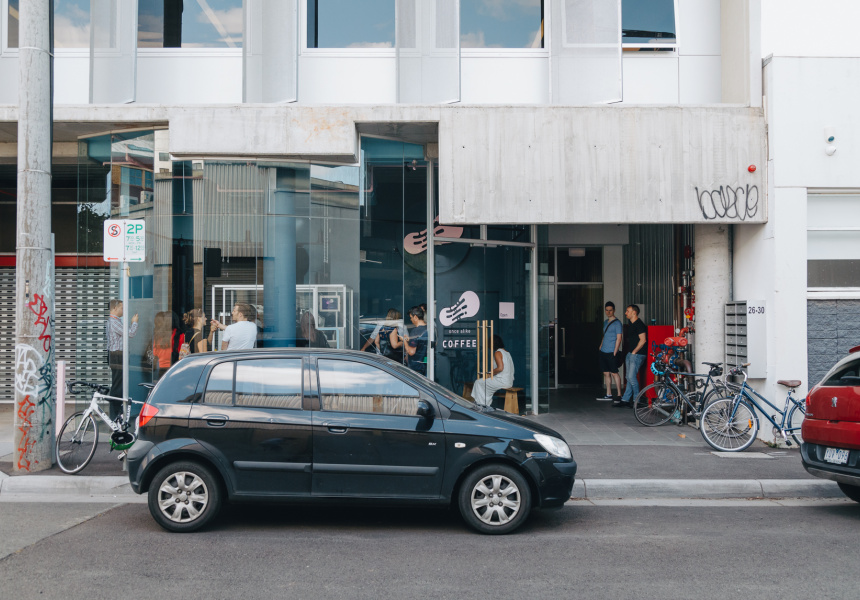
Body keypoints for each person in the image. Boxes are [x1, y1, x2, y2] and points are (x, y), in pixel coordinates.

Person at [105, 299, 138, 420]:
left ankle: (117, 413)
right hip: (117, 356)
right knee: (118, 386)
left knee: (118, 384)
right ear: (114, 308)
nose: (123, 310)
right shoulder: (114, 322)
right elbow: (130, 333)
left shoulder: (114, 321)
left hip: (116, 355)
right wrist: (134, 322)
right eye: (121, 308)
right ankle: (115, 415)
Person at [614, 304, 648, 408]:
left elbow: (643, 340)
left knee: (631, 377)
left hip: (637, 354)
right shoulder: (631, 324)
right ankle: (625, 399)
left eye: (627, 311)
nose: (625, 313)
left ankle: (636, 400)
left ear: (634, 312)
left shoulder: (639, 324)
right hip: (631, 354)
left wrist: (634, 352)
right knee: (628, 377)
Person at [471, 335, 515, 407]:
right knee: (483, 383)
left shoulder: (497, 353)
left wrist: (489, 373)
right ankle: (483, 403)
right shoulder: (507, 353)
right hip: (509, 381)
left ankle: (481, 405)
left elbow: (500, 368)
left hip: (502, 381)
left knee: (478, 382)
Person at [598, 301, 623, 401]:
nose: (608, 312)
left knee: (614, 373)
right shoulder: (605, 322)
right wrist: (600, 345)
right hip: (603, 351)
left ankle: (619, 394)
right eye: (607, 310)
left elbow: (619, 338)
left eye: (610, 310)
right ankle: (608, 394)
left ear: (614, 310)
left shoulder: (617, 323)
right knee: (606, 373)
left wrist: (615, 351)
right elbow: (605, 335)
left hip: (612, 351)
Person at [392, 306, 428, 375]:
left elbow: (411, 352)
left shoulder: (415, 332)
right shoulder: (428, 329)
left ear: (415, 317)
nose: (411, 320)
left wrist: (404, 340)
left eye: (411, 317)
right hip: (426, 367)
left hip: (416, 369)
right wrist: (410, 340)